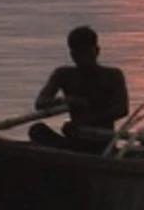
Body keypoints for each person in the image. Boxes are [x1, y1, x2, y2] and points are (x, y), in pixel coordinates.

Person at [30, 24, 129, 152]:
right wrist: (65, 100)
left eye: (87, 53)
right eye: (78, 54)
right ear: (72, 54)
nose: (83, 59)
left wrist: (86, 122)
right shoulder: (63, 74)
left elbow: (121, 109)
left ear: (97, 51)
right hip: (75, 138)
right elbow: (40, 103)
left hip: (102, 142)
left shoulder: (112, 75)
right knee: (36, 130)